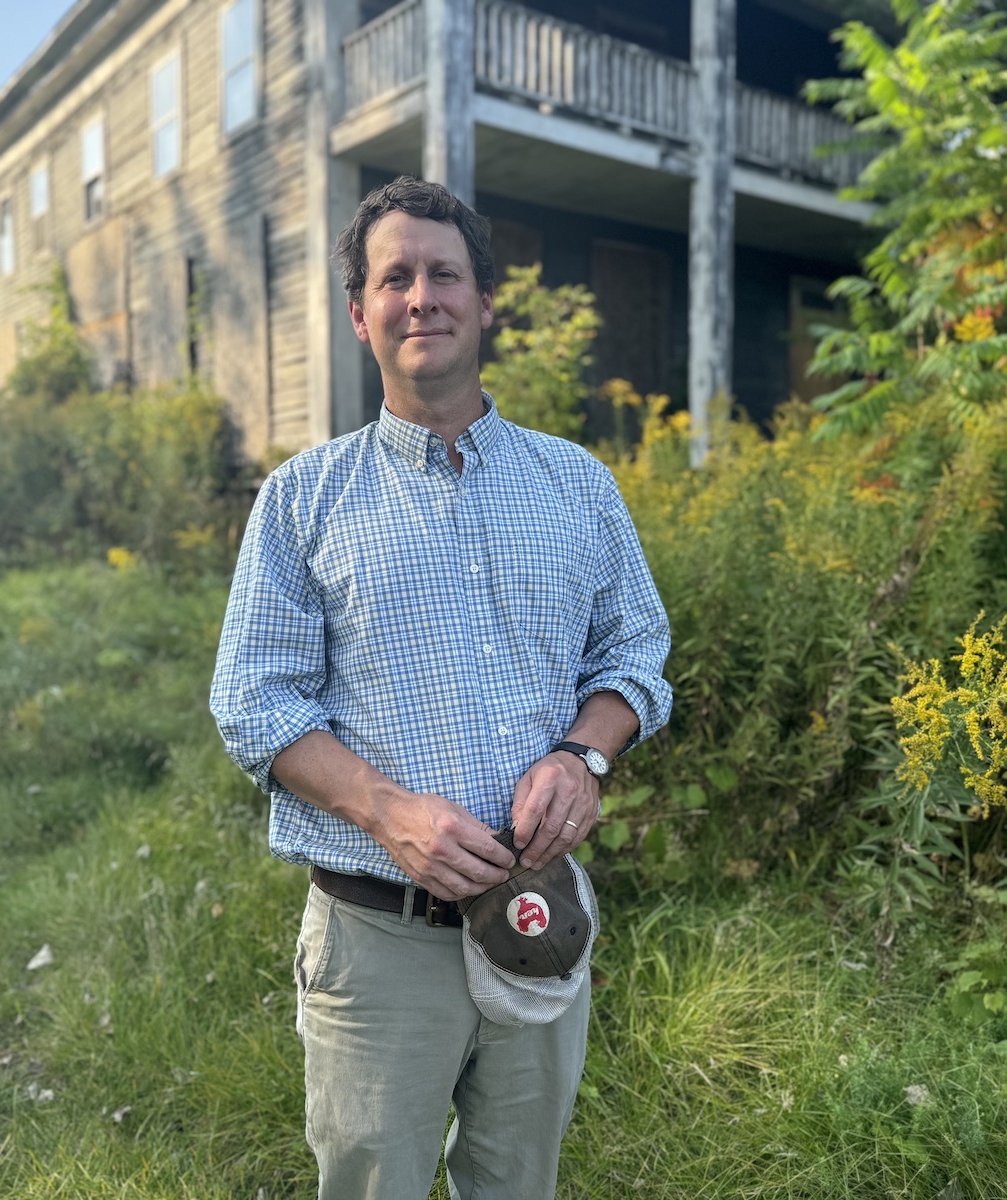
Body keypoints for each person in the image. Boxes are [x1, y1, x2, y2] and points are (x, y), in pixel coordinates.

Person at [210, 176, 672, 1199]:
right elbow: (253, 700)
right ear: (358, 314)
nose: (422, 296)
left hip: (538, 916)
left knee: (519, 1186)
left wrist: (585, 754)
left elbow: (635, 652)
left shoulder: (576, 484)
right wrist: (386, 812)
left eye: (445, 274)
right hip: (377, 943)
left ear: (484, 302)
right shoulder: (302, 498)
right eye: (395, 278)